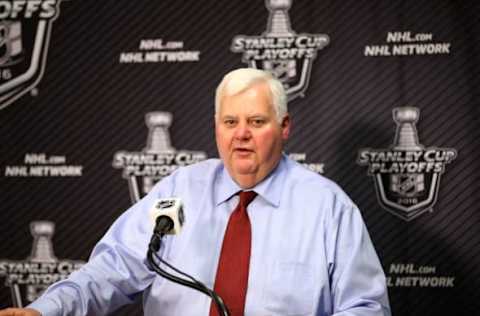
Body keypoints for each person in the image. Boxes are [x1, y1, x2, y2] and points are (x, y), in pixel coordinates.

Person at [0, 68, 391, 316]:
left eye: (256, 121)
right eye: (230, 121)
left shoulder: (327, 207)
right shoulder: (179, 191)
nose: (241, 134)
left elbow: (365, 307)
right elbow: (112, 270)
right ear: (216, 126)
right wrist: (45, 311)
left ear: (284, 126)